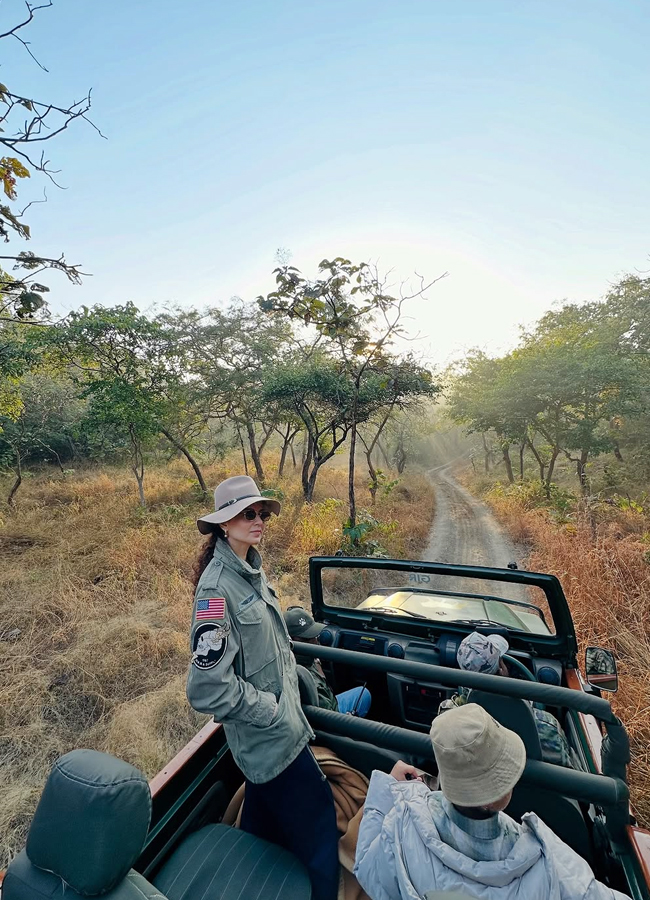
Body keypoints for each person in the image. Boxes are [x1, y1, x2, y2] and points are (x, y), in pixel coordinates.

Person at [186, 475, 339, 900]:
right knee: (322, 827)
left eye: (261, 513)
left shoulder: (250, 568)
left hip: (283, 732)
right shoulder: (216, 593)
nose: (258, 520)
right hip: (270, 741)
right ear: (222, 524)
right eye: (246, 514)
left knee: (263, 828)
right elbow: (206, 689)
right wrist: (269, 709)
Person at [354, 703, 629, 900]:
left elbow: (366, 868)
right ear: (499, 796)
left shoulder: (400, 826)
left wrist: (387, 789)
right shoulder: (549, 862)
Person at [440, 631, 574, 768]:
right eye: (502, 660)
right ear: (501, 669)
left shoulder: (448, 715)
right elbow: (569, 776)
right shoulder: (545, 726)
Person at [284, 605, 372, 716]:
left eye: (315, 636)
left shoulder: (292, 659)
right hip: (332, 717)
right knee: (364, 695)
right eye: (306, 639)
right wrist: (348, 719)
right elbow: (329, 720)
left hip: (327, 705)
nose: (316, 641)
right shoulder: (309, 681)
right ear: (290, 641)